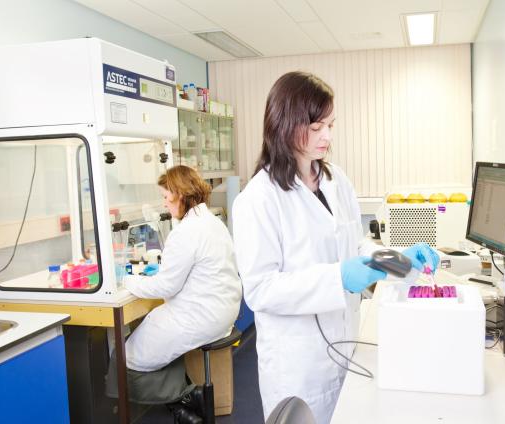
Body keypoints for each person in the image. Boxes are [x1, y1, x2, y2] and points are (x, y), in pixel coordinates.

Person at [232, 71, 439, 423]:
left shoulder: (335, 180)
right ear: (284, 123)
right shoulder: (258, 199)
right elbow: (260, 289)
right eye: (316, 126)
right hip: (299, 365)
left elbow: (356, 245)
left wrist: (399, 260)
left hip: (347, 345)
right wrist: (337, 278)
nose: (327, 135)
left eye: (330, 124)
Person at [106, 165, 242, 422]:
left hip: (199, 317)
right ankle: (183, 408)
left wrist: (127, 281)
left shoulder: (186, 231)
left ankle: (185, 397)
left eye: (165, 197)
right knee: (159, 342)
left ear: (180, 194)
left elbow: (166, 286)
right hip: (223, 312)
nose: (164, 203)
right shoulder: (212, 222)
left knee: (125, 358)